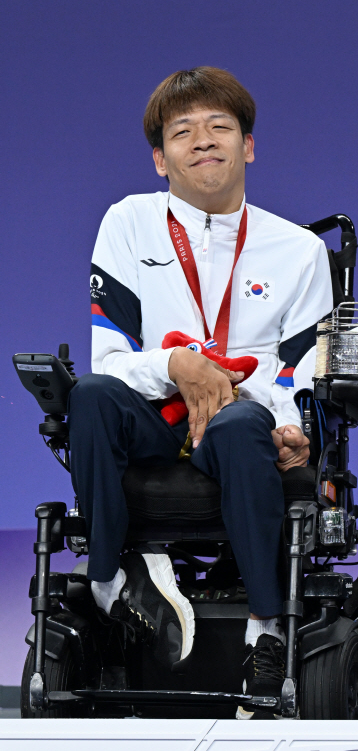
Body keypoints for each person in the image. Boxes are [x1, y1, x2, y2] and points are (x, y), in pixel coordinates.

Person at [69, 67, 332, 718]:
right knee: (89, 395)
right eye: (182, 131)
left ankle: (266, 635)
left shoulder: (298, 251)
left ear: (248, 145)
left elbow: (302, 376)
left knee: (243, 424)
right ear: (160, 159)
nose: (203, 140)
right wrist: (179, 363)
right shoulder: (127, 223)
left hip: (243, 421)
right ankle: (113, 584)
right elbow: (111, 358)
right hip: (152, 416)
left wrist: (291, 421)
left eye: (220, 126)